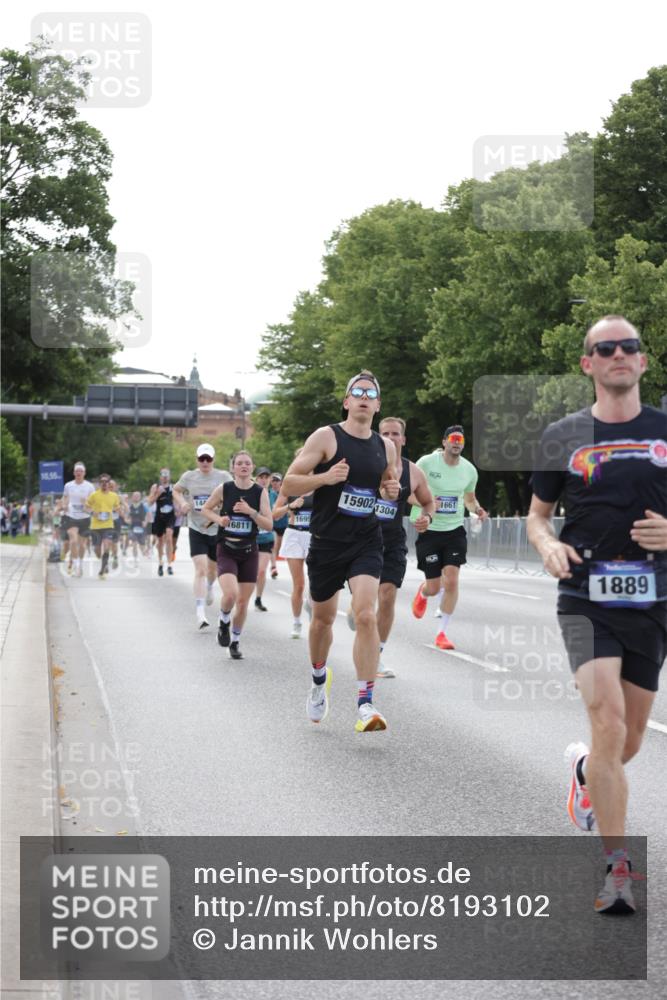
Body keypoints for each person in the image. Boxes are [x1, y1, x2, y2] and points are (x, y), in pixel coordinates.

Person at [527, 315, 666, 915]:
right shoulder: (562, 435)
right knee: (607, 722)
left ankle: (586, 774)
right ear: (587, 364)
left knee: (627, 739)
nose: (617, 354)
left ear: (642, 361)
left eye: (627, 346)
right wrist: (547, 544)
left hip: (654, 599)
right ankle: (617, 873)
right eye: (604, 348)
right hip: (586, 595)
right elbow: (536, 515)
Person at [282, 370, 401, 733]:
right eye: (357, 391)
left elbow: (387, 485)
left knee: (366, 614)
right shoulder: (326, 437)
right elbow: (288, 483)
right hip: (327, 542)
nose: (364, 396)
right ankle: (319, 681)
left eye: (371, 392)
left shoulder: (386, 447)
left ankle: (366, 704)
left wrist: (390, 492)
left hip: (366, 540)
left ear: (377, 405)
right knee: (322, 621)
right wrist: (324, 478)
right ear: (347, 401)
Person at [348, 417, 434, 677]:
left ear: (403, 439)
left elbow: (429, 502)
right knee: (365, 606)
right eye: (385, 433)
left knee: (387, 597)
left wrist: (426, 518)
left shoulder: (413, 472)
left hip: (393, 542)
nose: (391, 437)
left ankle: (377, 656)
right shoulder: (367, 465)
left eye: (396, 433)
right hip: (362, 540)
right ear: (379, 436)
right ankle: (358, 611)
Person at [410, 426, 488, 649]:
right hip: (430, 528)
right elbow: (409, 493)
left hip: (454, 530)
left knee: (452, 580)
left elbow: (469, 499)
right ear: (444, 442)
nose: (456, 443)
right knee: (434, 587)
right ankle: (424, 593)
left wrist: (478, 509)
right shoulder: (426, 463)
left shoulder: (469, 470)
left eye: (460, 440)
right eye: (453, 439)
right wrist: (428, 504)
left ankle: (441, 634)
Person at [201, 451, 273, 659]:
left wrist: (251, 512)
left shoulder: (260, 492)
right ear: (233, 468)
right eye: (239, 463)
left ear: (252, 467)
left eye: (247, 463)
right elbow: (206, 509)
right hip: (227, 549)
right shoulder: (224, 488)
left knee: (242, 603)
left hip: (250, 551)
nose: (243, 466)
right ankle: (224, 620)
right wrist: (218, 519)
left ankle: (235, 641)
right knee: (230, 595)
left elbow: (268, 525)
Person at [173, 444, 231, 629]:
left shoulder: (223, 477)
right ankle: (200, 614)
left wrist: (222, 506)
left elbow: (235, 491)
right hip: (196, 527)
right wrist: (182, 502)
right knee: (200, 569)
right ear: (197, 459)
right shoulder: (189, 476)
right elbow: (176, 490)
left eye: (208, 459)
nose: (205, 462)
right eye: (201, 459)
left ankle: (210, 587)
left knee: (212, 571)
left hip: (215, 529)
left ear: (213, 459)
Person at [271, 451, 314, 638]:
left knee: (316, 584)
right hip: (295, 534)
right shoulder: (289, 485)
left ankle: (314, 616)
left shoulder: (321, 484)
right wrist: (290, 506)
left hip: (315, 536)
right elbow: (274, 514)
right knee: (299, 584)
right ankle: (296, 623)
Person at [61, 462, 95, 577]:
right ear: (74, 473)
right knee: (73, 541)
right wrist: (64, 505)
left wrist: (86, 503)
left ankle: (79, 563)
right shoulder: (68, 485)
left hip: (85, 518)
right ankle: (75, 565)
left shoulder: (90, 486)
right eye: (77, 471)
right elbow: (65, 498)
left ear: (84, 473)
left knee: (82, 545)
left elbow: (93, 503)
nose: (78, 473)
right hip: (71, 516)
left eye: (81, 471)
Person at [85, 474, 120, 578]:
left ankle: (103, 568)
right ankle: (104, 563)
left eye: (106, 482)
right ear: (99, 484)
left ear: (109, 484)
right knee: (97, 550)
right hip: (95, 526)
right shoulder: (94, 495)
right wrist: (92, 513)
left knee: (106, 546)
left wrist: (119, 511)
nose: (104, 484)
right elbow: (86, 507)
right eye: (102, 482)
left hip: (108, 525)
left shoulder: (114, 496)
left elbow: (117, 507)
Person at [251, 468, 274, 611]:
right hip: (250, 537)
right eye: (261, 477)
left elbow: (277, 513)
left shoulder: (273, 495)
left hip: (265, 538)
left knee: (261, 571)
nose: (264, 480)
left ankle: (258, 598)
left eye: (266, 477)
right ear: (256, 478)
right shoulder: (251, 492)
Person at [148, 468, 176, 576]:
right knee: (160, 541)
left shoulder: (173, 487)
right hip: (159, 517)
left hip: (170, 516)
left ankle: (169, 565)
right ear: (160, 476)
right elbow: (149, 503)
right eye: (163, 475)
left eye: (166, 475)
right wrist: (157, 495)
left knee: (169, 538)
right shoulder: (155, 487)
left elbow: (178, 499)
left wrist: (179, 508)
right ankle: (160, 563)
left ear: (169, 476)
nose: (164, 477)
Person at [269, 473, 287, 577]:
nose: (275, 483)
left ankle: (274, 563)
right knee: (274, 546)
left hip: (283, 524)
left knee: (279, 546)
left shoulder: (285, 493)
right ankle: (273, 567)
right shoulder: (269, 493)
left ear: (281, 482)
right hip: (273, 524)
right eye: (273, 481)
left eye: (277, 481)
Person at [126, 491, 149, 559]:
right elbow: (126, 517)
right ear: (132, 497)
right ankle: (135, 560)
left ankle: (146, 553)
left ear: (140, 497)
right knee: (134, 543)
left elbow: (149, 515)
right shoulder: (130, 507)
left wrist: (146, 522)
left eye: (137, 496)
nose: (136, 497)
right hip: (132, 527)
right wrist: (128, 520)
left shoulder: (143, 506)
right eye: (134, 496)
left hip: (141, 527)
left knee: (142, 547)